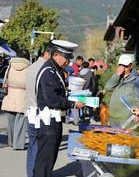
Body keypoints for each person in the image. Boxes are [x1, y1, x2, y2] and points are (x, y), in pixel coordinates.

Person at [33, 40, 84, 176]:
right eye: (66, 58)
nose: (67, 61)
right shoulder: (48, 71)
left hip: (53, 119)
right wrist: (72, 104)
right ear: (55, 55)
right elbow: (52, 99)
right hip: (48, 120)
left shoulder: (55, 70)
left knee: (50, 157)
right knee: (45, 159)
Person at [25, 45, 52, 177]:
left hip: (29, 110)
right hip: (39, 113)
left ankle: (30, 173)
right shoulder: (44, 70)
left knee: (32, 146)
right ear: (47, 54)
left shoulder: (31, 67)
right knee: (38, 147)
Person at [1, 49, 30, 150]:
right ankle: (18, 144)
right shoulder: (29, 68)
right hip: (23, 96)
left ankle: (11, 141)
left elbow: (5, 80)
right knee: (20, 122)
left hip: (11, 95)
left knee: (11, 121)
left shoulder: (10, 66)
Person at [105, 54, 139, 126]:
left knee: (124, 137)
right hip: (113, 116)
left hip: (126, 118)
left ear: (131, 66)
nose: (123, 68)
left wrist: (138, 114)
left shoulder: (137, 80)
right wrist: (117, 75)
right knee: (112, 137)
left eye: (125, 66)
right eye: (121, 65)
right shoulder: (117, 77)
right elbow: (108, 87)